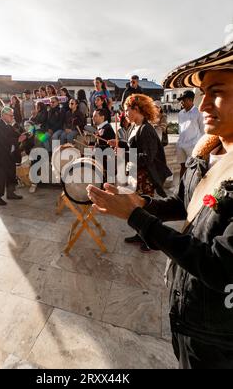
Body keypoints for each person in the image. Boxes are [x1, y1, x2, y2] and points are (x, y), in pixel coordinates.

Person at [87, 40, 233, 369]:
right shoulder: (205, 153)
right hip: (190, 312)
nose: (204, 104)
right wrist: (144, 203)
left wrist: (138, 217)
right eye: (203, 93)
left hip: (218, 330)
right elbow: (185, 203)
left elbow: (220, 268)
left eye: (218, 91)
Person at [109, 94, 172, 252]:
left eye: (127, 110)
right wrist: (120, 143)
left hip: (146, 176)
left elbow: (147, 157)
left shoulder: (146, 129)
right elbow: (133, 146)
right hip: (137, 172)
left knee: (146, 208)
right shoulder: (134, 126)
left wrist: (124, 155)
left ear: (136, 109)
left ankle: (149, 240)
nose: (125, 114)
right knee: (137, 206)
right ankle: (140, 234)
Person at [0, 107, 26, 206]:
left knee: (11, 175)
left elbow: (16, 135)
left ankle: (11, 193)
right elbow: (3, 140)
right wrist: (18, 140)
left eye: (13, 115)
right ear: (3, 115)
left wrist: (25, 134)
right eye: (10, 115)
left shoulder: (9, 126)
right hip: (1, 155)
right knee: (1, 177)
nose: (12, 117)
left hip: (11, 155)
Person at [177, 90, 205, 178]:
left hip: (193, 146)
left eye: (183, 100)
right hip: (181, 145)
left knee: (194, 168)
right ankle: (181, 189)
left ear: (190, 100)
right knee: (182, 166)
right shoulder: (180, 113)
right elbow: (180, 128)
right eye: (181, 100)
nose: (181, 102)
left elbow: (203, 130)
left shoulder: (199, 112)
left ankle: (192, 189)